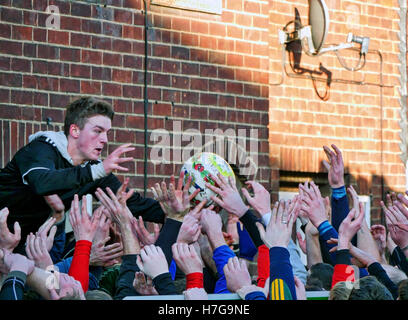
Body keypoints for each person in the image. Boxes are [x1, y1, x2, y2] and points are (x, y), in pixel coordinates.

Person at [0, 97, 180, 254]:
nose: (105, 139)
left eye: (107, 133)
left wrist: (178, 210)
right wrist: (97, 171)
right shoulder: (41, 149)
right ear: (75, 131)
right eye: (97, 131)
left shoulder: (92, 170)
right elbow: (41, 182)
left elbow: (133, 203)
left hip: (18, 244)